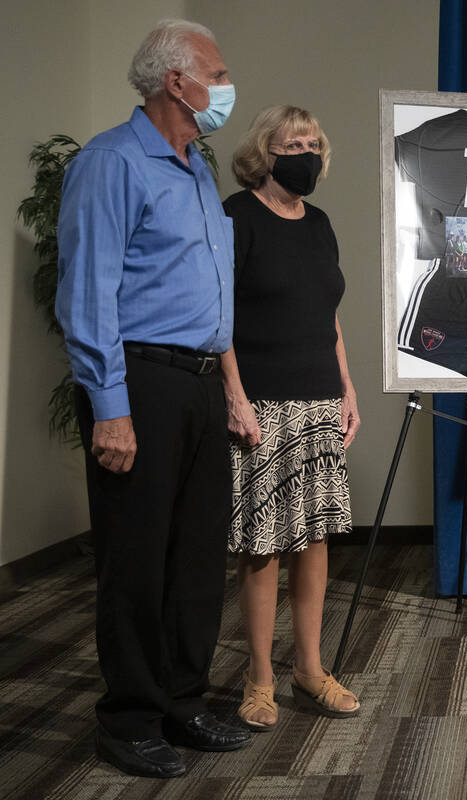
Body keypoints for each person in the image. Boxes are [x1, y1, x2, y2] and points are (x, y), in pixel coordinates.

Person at [55, 19, 250, 778]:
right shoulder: (111, 162)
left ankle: (183, 700)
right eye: (219, 72)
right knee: (137, 560)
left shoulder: (196, 167)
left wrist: (232, 389)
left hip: (200, 383)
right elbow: (87, 294)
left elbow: (215, 294)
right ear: (178, 81)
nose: (226, 87)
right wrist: (110, 406)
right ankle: (129, 716)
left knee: (198, 558)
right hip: (138, 380)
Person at [220, 105, 361, 730]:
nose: (305, 150)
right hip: (261, 404)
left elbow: (326, 314)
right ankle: (259, 679)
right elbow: (215, 316)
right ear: (265, 151)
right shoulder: (237, 216)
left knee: (314, 542)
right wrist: (233, 395)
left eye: (312, 141)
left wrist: (348, 390)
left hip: (319, 398)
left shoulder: (321, 223)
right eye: (292, 141)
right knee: (263, 548)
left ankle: (310, 669)